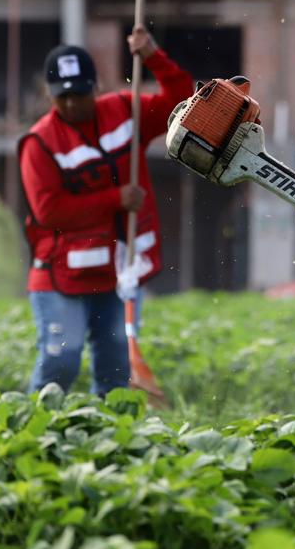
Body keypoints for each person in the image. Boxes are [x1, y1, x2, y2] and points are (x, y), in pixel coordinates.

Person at [19, 27, 193, 395]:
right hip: (61, 275)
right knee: (61, 362)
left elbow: (180, 103)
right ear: (50, 96)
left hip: (118, 270)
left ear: (95, 87)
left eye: (80, 94)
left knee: (115, 367)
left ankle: (110, 428)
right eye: (63, 97)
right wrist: (115, 198)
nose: (72, 104)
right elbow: (49, 211)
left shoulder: (124, 110)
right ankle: (36, 424)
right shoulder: (39, 143)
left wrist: (152, 56)